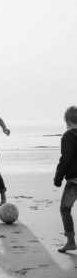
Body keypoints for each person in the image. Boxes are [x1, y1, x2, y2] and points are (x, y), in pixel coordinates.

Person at [54, 106, 77, 253]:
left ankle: (70, 242)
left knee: (65, 209)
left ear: (67, 121)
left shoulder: (68, 136)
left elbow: (65, 159)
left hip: (74, 182)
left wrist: (58, 177)